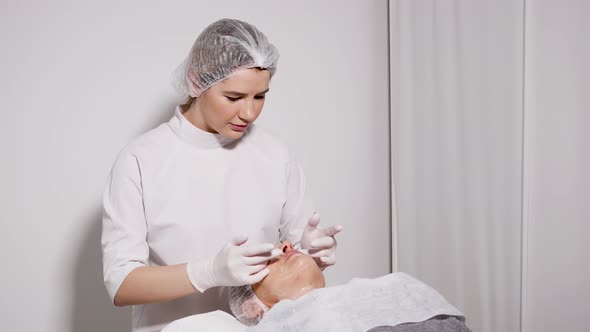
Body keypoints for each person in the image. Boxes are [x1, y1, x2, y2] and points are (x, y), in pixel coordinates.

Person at [101, 18, 342, 331]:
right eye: (234, 98)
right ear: (197, 81)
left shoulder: (275, 155)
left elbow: (296, 272)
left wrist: (313, 253)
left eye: (260, 97)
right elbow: (122, 285)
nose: (249, 113)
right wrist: (209, 272)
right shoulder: (141, 160)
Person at [227, 242, 471, 332]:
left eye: (285, 244)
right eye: (268, 259)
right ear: (251, 307)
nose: (287, 245)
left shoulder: (392, 284)